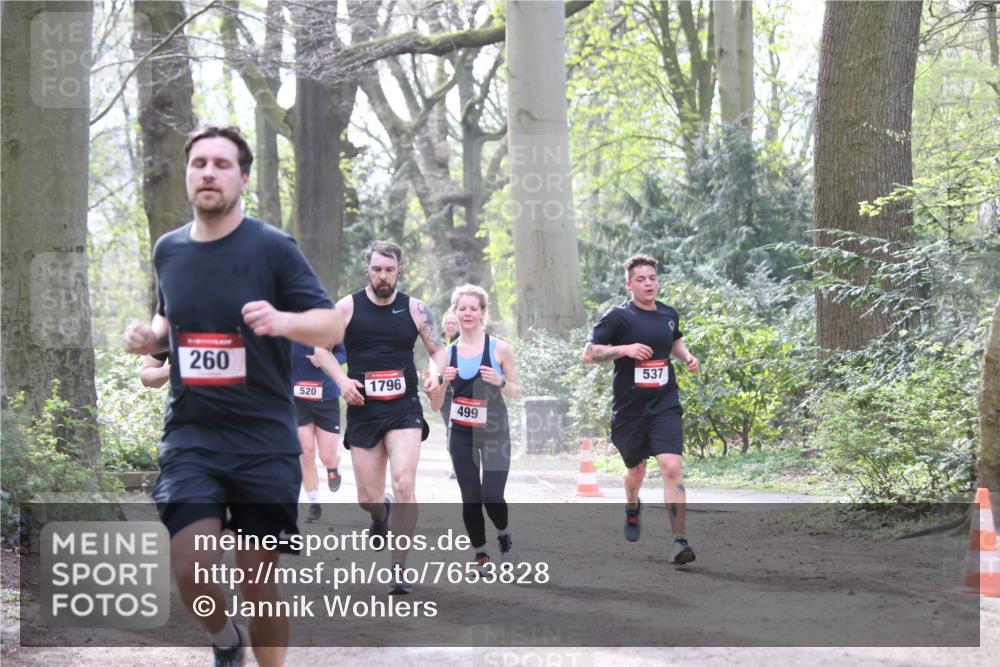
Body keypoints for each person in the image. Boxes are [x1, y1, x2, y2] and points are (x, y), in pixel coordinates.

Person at [122, 124, 343, 667]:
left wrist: (283, 321)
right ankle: (225, 639)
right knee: (189, 566)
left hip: (263, 440)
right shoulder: (169, 250)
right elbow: (167, 319)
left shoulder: (272, 248)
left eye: (222, 164)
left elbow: (330, 325)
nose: (208, 173)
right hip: (192, 435)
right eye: (199, 163)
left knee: (256, 581)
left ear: (243, 178)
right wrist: (150, 339)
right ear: (187, 175)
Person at [325, 239, 449, 594]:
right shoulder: (346, 307)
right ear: (368, 269)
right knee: (368, 497)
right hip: (364, 409)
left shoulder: (416, 309)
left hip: (403, 407)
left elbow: (439, 351)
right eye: (377, 269)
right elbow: (321, 349)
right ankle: (381, 514)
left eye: (389, 270)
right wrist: (342, 382)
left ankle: (399, 568)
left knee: (405, 482)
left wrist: (436, 375)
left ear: (399, 271)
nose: (383, 276)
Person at [582, 253, 700, 566]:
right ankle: (632, 504)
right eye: (641, 279)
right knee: (636, 470)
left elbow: (673, 341)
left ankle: (679, 540)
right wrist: (625, 349)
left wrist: (687, 357)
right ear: (629, 285)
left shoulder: (668, 314)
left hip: (664, 403)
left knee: (671, 466)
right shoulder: (618, 317)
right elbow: (589, 354)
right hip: (630, 411)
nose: (648, 284)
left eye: (652, 278)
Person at [430, 285, 521, 568]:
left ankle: (504, 535)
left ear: (483, 312)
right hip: (461, 434)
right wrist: (442, 382)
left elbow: (517, 391)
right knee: (470, 498)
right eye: (462, 308)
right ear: (454, 312)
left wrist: (500, 381)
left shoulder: (500, 348)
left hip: (495, 433)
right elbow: (435, 404)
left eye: (473, 308)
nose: (467, 313)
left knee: (491, 496)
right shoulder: (445, 354)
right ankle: (480, 553)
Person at [292, 341, 348, 522]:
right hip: (297, 399)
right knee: (306, 452)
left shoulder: (327, 328)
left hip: (327, 398)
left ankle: (333, 467)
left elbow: (343, 353)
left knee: (327, 456)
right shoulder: (287, 328)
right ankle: (314, 503)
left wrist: (324, 360)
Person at [439, 313, 460, 480]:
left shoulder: (464, 340)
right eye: (448, 323)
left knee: (463, 426)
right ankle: (455, 464)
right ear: (443, 325)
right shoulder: (436, 343)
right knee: (451, 426)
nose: (451, 326)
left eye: (453, 323)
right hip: (445, 392)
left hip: (462, 390)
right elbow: (433, 365)